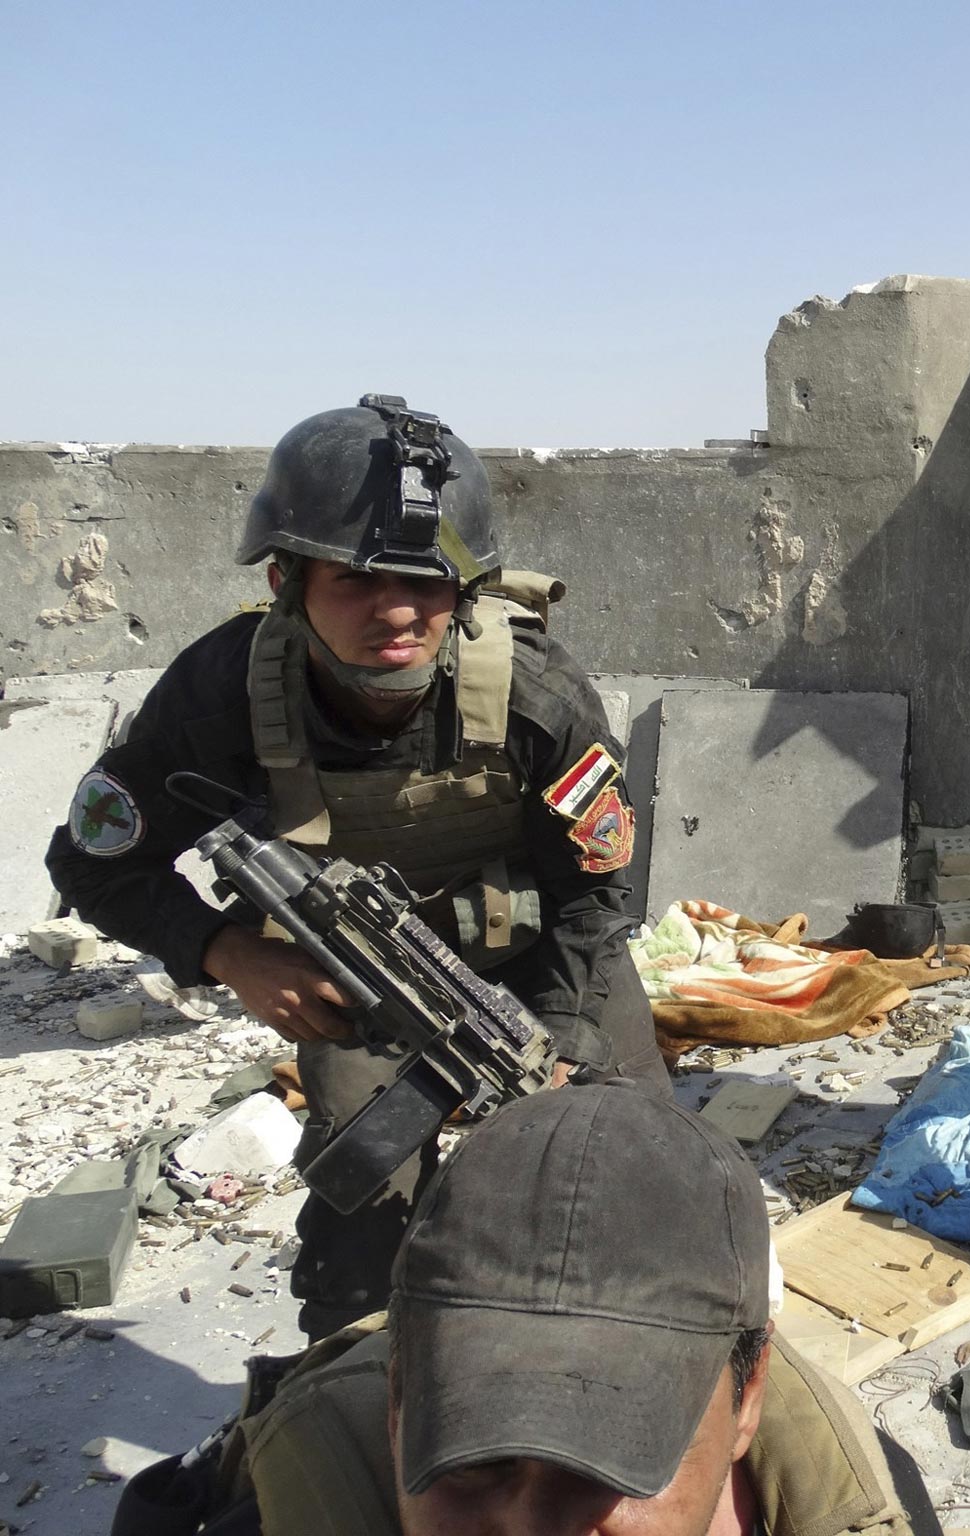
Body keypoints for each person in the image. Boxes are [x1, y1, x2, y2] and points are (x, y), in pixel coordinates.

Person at [45, 395, 668, 1340]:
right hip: (359, 990)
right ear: (289, 578)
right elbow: (94, 863)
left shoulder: (538, 692)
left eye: (430, 582)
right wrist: (228, 953)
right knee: (358, 1239)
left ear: (468, 586)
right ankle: (353, 1415)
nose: (397, 612)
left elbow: (594, 892)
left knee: (639, 1181)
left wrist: (556, 1042)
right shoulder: (222, 694)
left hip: (544, 964)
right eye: (354, 580)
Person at [112, 1083, 936, 1536]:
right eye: (476, 1460)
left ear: (747, 1400)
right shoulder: (286, 1514)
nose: (529, 1529)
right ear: (399, 1410)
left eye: (609, 1467)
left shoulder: (861, 1495)